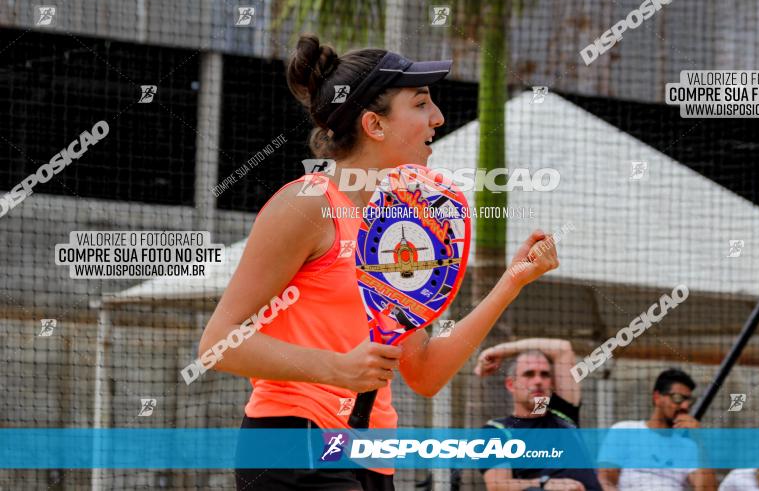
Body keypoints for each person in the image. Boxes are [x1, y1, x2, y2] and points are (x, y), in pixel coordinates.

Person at [197, 33, 561, 491]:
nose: (438, 117)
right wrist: (337, 369)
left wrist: (511, 281)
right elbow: (217, 343)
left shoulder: (397, 223)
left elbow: (425, 372)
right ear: (374, 124)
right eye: (421, 103)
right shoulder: (308, 205)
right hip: (294, 441)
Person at [476, 338, 601, 491]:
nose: (538, 381)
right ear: (511, 385)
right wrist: (545, 483)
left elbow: (562, 348)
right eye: (529, 374)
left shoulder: (564, 413)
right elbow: (497, 486)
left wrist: (499, 350)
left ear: (552, 383)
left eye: (544, 374)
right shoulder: (496, 430)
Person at [597, 368, 717, 490]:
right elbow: (606, 480)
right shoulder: (625, 430)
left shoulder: (689, 446)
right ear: (657, 397)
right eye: (677, 398)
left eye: (688, 400)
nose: (685, 406)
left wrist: (699, 440)